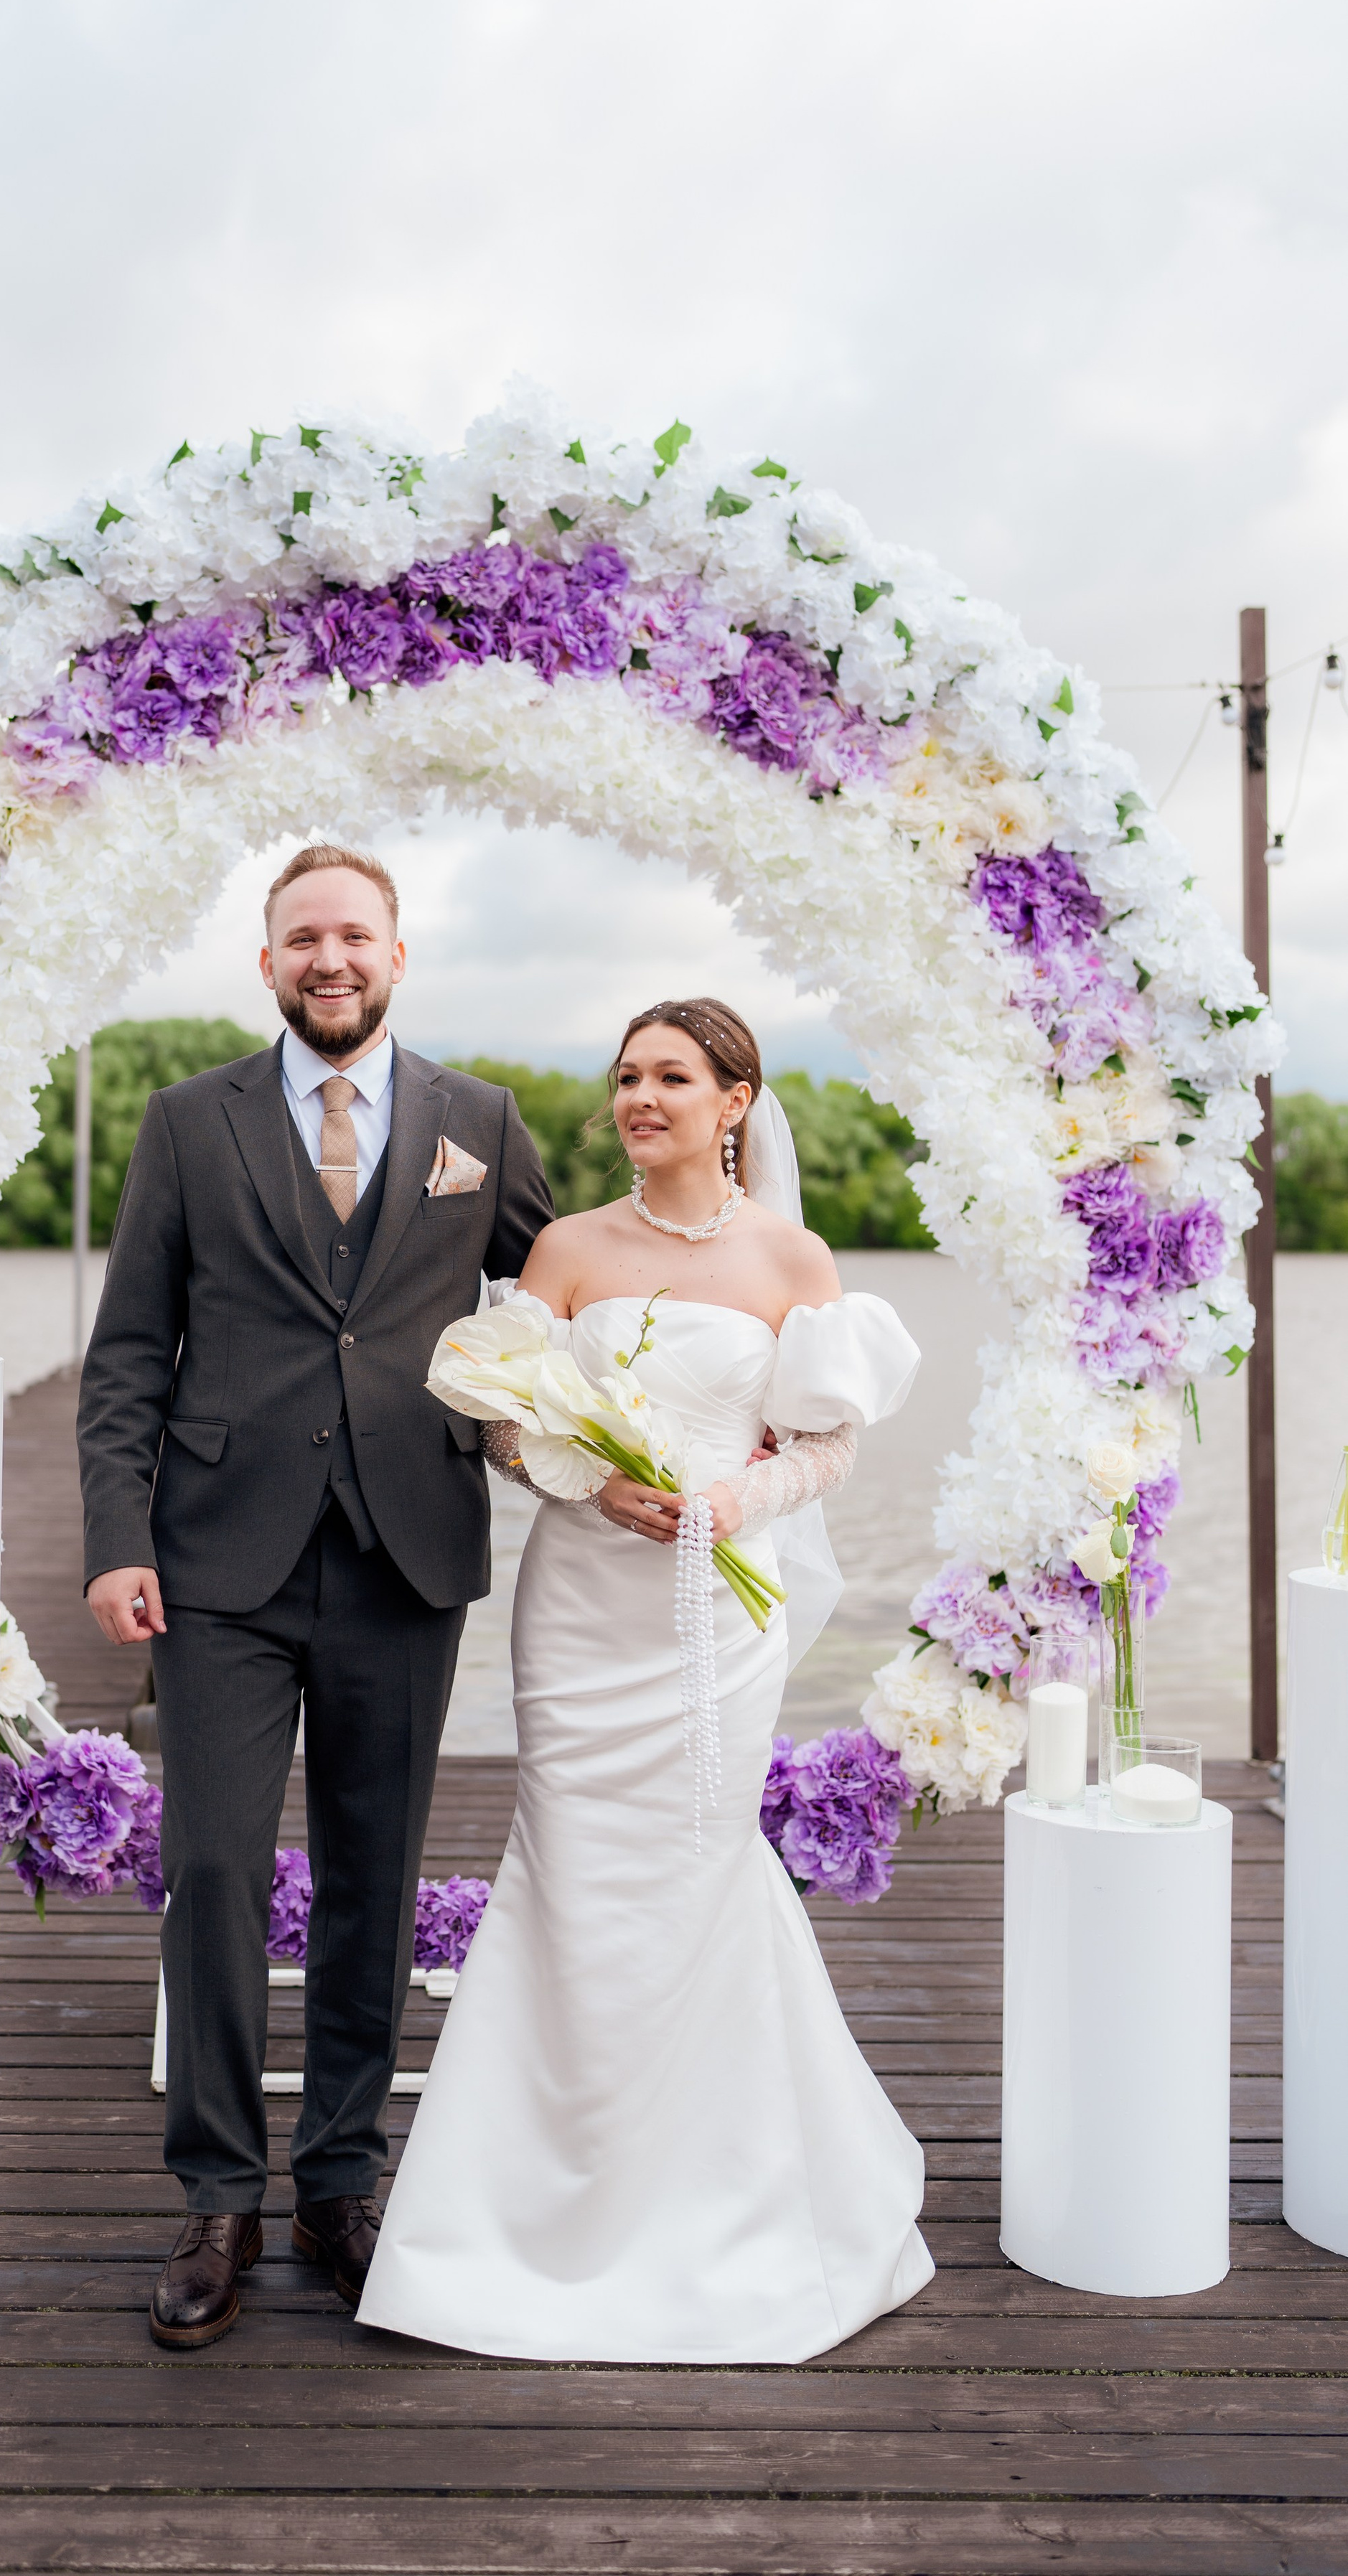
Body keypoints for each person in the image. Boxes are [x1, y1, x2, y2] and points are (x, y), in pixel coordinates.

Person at [360, 998, 935, 2362]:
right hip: (579, 1609)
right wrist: (585, 1476)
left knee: (693, 1866)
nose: (642, 1098)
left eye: (673, 1077)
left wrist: (745, 1499)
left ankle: (725, 2200)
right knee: (567, 1873)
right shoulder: (564, 1248)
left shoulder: (792, 1256)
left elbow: (828, 1449)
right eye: (626, 1076)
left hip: (709, 1619)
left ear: (737, 1100)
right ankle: (522, 2210)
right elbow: (506, 1426)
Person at [77, 846, 552, 2348]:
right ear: (266, 963)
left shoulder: (477, 1120)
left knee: (373, 1879)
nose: (327, 959)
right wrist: (113, 1537)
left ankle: (341, 2181)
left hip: (405, 1549)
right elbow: (126, 1357)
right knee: (213, 1872)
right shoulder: (185, 1121)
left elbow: (571, 1295)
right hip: (217, 1556)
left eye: (354, 935)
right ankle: (216, 2192)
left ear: (398, 954)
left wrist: (702, 1330)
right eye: (301, 939)